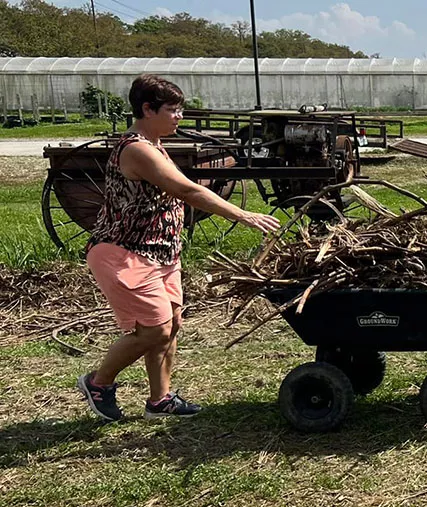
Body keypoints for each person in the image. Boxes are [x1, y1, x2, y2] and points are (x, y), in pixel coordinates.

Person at [75, 74, 281, 421]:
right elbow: (187, 191)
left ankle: (160, 400)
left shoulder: (155, 144)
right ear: (146, 109)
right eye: (172, 110)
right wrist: (243, 214)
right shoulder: (137, 149)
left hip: (161, 253)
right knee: (154, 330)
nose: (179, 117)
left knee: (171, 324)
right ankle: (98, 383)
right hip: (124, 252)